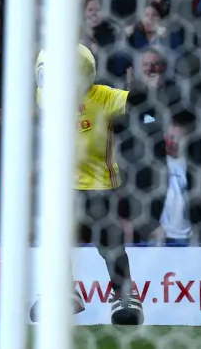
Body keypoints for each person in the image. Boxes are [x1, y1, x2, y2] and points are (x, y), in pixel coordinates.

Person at [33, 44, 146, 325]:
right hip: (61, 185)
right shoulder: (44, 96)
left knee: (110, 243)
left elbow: (135, 103)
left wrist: (140, 87)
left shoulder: (104, 96)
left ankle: (125, 296)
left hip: (99, 184)